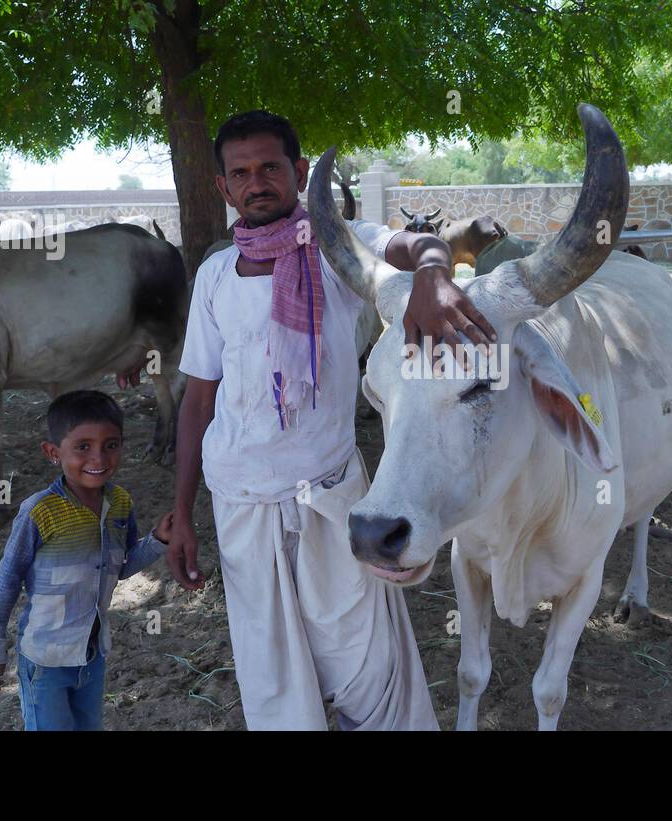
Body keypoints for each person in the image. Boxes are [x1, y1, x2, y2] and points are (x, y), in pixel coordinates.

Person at [166, 110, 496, 730]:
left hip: (332, 492)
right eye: (240, 173)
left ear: (298, 172)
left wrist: (432, 273)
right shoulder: (214, 275)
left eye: (270, 167)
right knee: (273, 678)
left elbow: (422, 243)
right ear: (223, 188)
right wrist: (182, 515)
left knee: (367, 673)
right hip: (240, 501)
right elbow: (198, 400)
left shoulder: (342, 249)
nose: (256, 182)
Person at [0, 389, 174, 731]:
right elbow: (7, 580)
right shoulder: (39, 512)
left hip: (91, 655)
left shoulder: (121, 504)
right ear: (53, 452)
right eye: (82, 446)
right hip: (45, 660)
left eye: (111, 444)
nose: (98, 457)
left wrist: (157, 540)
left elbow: (120, 566)